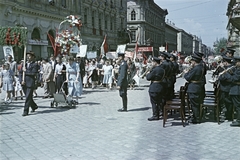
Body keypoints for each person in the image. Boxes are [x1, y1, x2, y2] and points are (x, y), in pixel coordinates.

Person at [184, 54, 205, 123]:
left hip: (193, 88)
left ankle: (196, 118)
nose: (191, 63)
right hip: (198, 87)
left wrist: (186, 73)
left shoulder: (196, 68)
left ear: (195, 61)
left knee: (194, 104)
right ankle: (197, 116)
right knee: (196, 103)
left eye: (192, 61)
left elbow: (188, 78)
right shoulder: (201, 67)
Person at [19, 52, 38, 116]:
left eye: (29, 56)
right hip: (24, 83)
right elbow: (20, 73)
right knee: (29, 97)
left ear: (32, 57)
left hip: (30, 83)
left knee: (27, 97)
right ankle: (34, 106)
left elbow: (33, 73)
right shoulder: (24, 64)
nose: (28, 57)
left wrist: (25, 71)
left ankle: (25, 111)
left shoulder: (35, 64)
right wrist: (21, 80)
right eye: (27, 56)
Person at [218, 56, 234, 121]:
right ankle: (227, 114)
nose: (222, 63)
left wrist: (221, 73)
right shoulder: (228, 68)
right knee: (226, 102)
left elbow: (223, 78)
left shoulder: (230, 68)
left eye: (223, 62)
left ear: (226, 62)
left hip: (227, 88)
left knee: (228, 102)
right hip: (226, 87)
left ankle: (229, 116)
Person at [228, 56, 240, 127]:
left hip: (237, 89)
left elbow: (235, 79)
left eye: (236, 62)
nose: (235, 64)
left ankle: (239, 121)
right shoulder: (237, 69)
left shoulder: (239, 70)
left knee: (238, 106)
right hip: (236, 88)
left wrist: (228, 74)